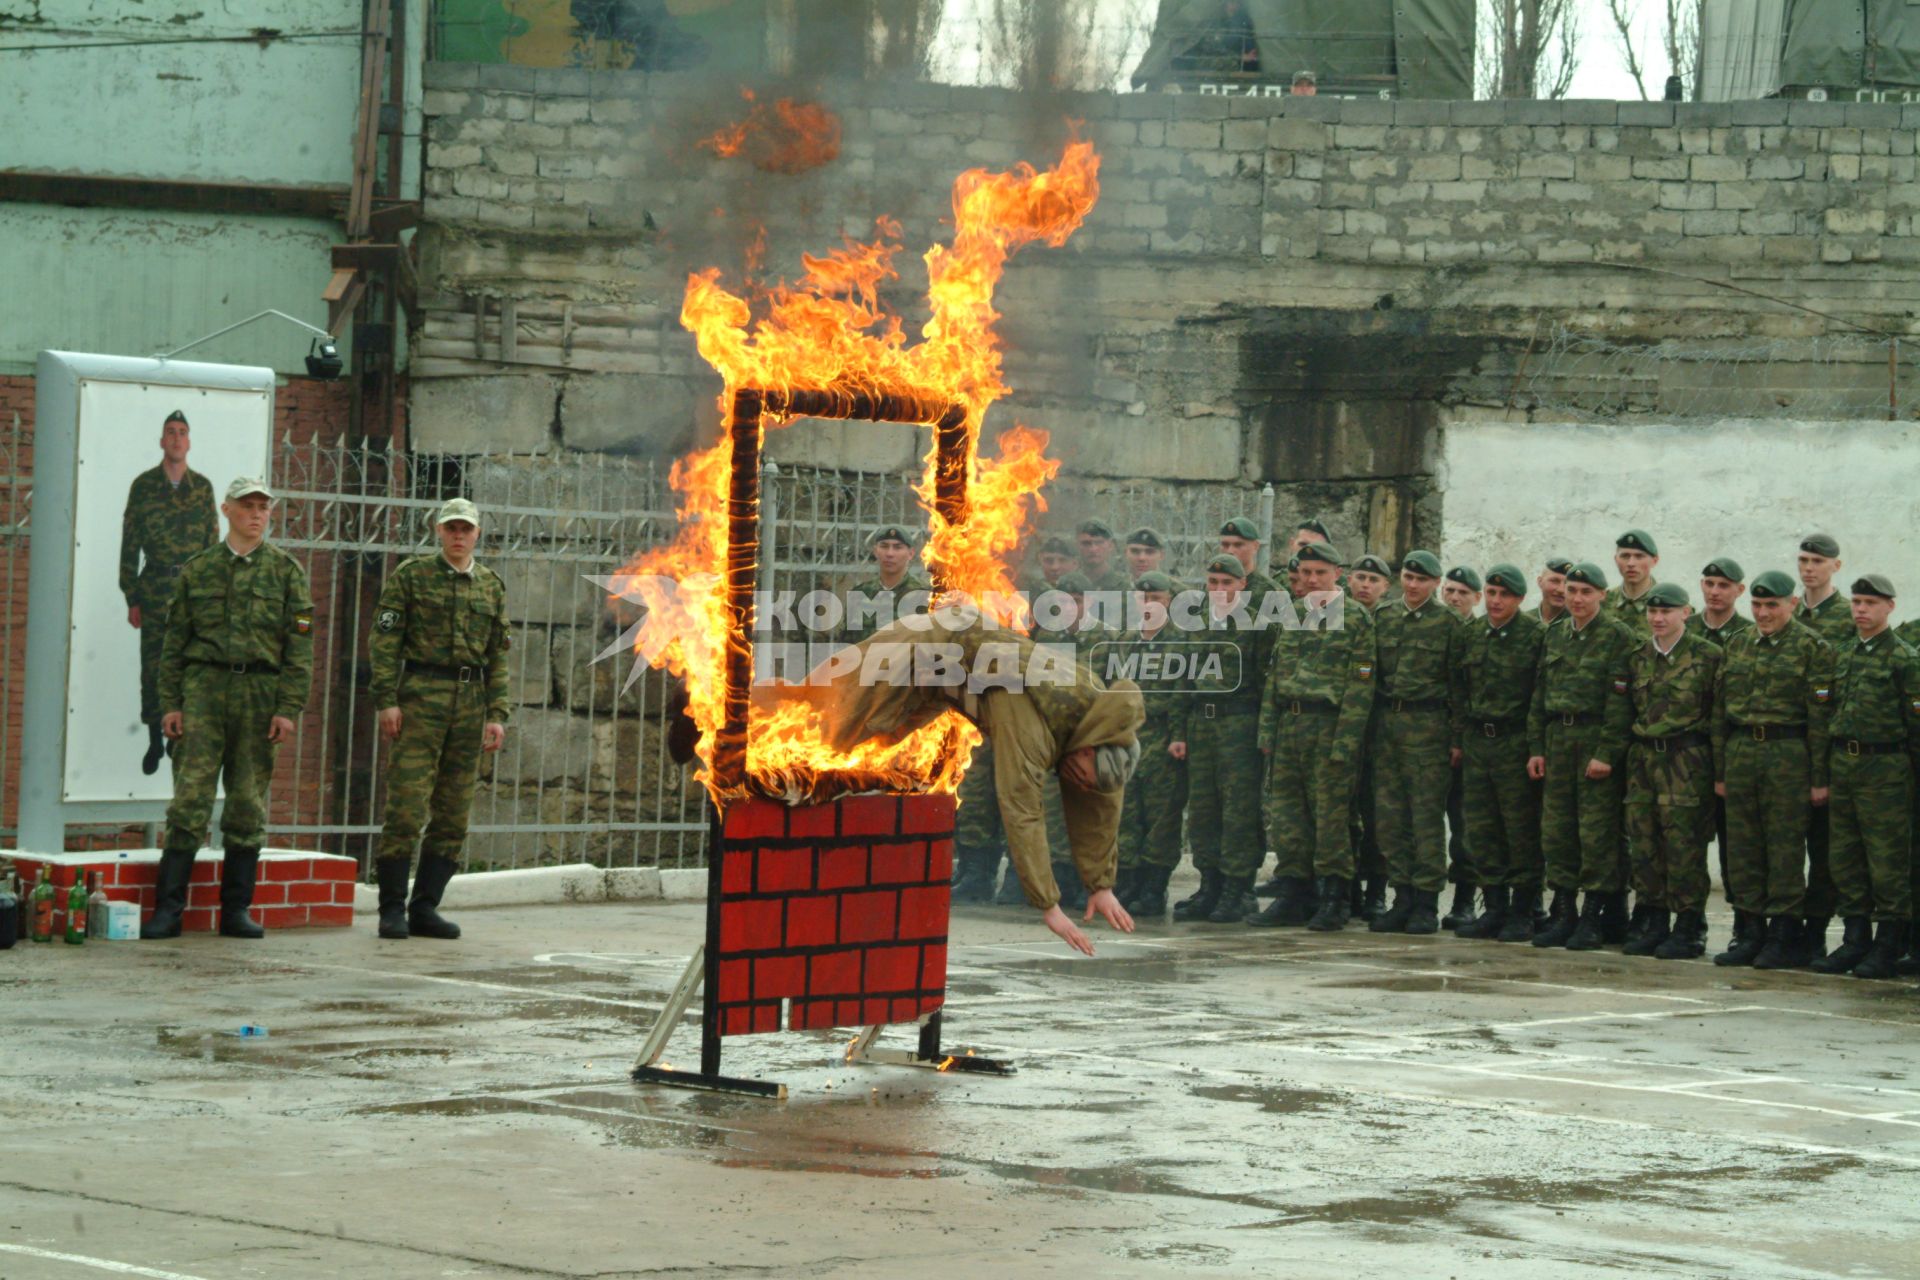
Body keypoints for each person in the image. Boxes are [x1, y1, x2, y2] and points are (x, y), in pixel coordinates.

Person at [811, 606, 1144, 955]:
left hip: (945, 684)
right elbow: (1022, 810)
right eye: (1084, 778)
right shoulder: (1029, 723)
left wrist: (1100, 885)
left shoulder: (1103, 725)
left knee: (870, 741)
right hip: (921, 645)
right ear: (1087, 752)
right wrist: (1049, 906)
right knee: (829, 726)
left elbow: (1102, 805)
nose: (1082, 787)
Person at [142, 478, 314, 940]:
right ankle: (169, 910)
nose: (257, 514)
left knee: (246, 804)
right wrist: (171, 704)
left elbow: (299, 648)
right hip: (204, 691)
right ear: (226, 510)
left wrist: (287, 708)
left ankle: (236, 910)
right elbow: (173, 643)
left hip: (259, 694)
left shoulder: (286, 573)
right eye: (247, 506)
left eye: (264, 507)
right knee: (189, 801)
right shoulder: (197, 571)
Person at [368, 498, 512, 941]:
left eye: (465, 529)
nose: (458, 536)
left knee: (453, 814)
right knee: (407, 808)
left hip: (469, 706)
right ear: (438, 531)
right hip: (420, 700)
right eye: (451, 528)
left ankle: (425, 906)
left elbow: (498, 656)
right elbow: (385, 642)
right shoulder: (412, 576)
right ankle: (391, 908)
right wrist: (386, 699)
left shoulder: (490, 585)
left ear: (477, 534)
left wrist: (497, 713)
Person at [1712, 570, 1834, 969]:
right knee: (1743, 846)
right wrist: (1721, 770)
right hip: (1742, 750)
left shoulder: (1812, 647)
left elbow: (1819, 721)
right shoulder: (1738, 644)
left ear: (1792, 604)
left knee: (1783, 847)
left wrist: (1819, 779)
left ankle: (1784, 932)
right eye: (1758, 605)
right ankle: (1750, 930)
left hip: (1788, 753)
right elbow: (1719, 713)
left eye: (1772, 605)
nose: (1763, 613)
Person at [1254, 542, 1375, 931]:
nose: (1310, 580)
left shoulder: (1356, 619)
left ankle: (1336, 896)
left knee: (1331, 817)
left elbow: (1361, 686)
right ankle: (1295, 891)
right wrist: (1268, 731)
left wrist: (1346, 741)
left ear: (1336, 573)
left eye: (1319, 572)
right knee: (1289, 816)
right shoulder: (1293, 615)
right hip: (1291, 725)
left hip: (1329, 726)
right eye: (1305, 572)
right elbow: (1275, 677)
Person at [1811, 575, 1920, 979]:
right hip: (1844, 764)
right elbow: (1826, 717)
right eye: (1856, 602)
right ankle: (1855, 939)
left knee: (1887, 860)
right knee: (1846, 857)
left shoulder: (1904, 659)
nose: (1860, 610)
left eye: (1870, 603)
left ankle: (1889, 944)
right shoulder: (1841, 655)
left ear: (1889, 607)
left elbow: (1916, 727)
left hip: (1886, 768)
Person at [1526, 562, 1635, 950]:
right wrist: (1536, 746)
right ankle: (1564, 911)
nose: (1576, 598)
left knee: (1596, 832)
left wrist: (1606, 752)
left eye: (1586, 592)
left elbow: (1621, 704)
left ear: (1603, 595)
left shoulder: (1618, 636)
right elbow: (1539, 696)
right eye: (1571, 591)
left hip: (1592, 739)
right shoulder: (1555, 635)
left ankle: (1593, 916)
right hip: (1558, 740)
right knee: (1557, 832)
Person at [1172, 555, 1273, 923]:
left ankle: (1238, 890)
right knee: (1203, 810)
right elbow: (1183, 678)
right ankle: (1209, 884)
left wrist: (1265, 732)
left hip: (1239, 723)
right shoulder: (1196, 620)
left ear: (1242, 585)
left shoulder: (1255, 624)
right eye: (1212, 582)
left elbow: (1267, 683)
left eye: (1226, 583)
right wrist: (1180, 732)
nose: (1218, 590)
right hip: (1202, 724)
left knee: (1238, 810)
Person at [1622, 583, 1721, 959]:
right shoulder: (1638, 656)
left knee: (1683, 845)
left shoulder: (1708, 657)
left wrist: (1717, 770)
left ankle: (1689, 926)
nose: (1658, 618)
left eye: (1666, 612)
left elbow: (1716, 717)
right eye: (1652, 612)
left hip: (1686, 760)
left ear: (1686, 613)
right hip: (1644, 760)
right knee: (1645, 844)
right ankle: (1656, 920)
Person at [118, 410, 219, 776]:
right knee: (153, 666)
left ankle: (178, 737)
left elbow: (212, 545)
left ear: (189, 442)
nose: (176, 439)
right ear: (162, 441)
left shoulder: (203, 488)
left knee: (189, 665)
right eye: (170, 433)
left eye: (182, 433)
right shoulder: (143, 486)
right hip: (155, 587)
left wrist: (210, 595)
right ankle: (153, 739)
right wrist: (132, 595)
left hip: (191, 591)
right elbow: (129, 544)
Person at [1369, 550, 1463, 936]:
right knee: (1391, 818)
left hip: (1428, 729)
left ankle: (1426, 900)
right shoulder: (1383, 617)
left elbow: (1459, 686)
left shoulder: (1449, 623)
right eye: (1408, 576)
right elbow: (1370, 672)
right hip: (1388, 726)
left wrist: (1456, 738)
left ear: (1435, 584)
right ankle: (1401, 895)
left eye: (1421, 580)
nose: (1412, 585)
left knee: (1424, 818)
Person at [1453, 564, 1546, 942]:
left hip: (1514, 742)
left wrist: (1536, 748)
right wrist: (1458, 739)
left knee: (1520, 829)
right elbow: (1459, 691)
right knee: (1481, 827)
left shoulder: (1535, 636)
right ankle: (1493, 907)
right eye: (1490, 593)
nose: (1495, 601)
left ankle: (1523, 910)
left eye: (1504, 595)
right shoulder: (1471, 634)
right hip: (1478, 742)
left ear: (1520, 599)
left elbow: (1539, 697)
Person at [1113, 571, 1189, 918]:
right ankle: (1128, 881)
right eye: (1142, 599)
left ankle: (1154, 887)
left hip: (1160, 736)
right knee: (1127, 813)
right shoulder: (1126, 641)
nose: (1148, 605)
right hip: (1128, 736)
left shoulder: (1179, 641)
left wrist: (1178, 735)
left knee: (1161, 816)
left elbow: (1181, 694)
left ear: (1169, 601)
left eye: (1156, 598)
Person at [1794, 534, 1851, 952]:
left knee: (1827, 847)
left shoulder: (1850, 617)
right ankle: (1786, 928)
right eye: (1803, 560)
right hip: (1788, 749)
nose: (1808, 568)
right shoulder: (1787, 612)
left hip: (1829, 747)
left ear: (1836, 566)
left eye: (1817, 560)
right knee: (1785, 843)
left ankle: (1816, 929)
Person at [1688, 557, 1752, 908]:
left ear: (1739, 591)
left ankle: (1743, 923)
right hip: (1688, 754)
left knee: (1735, 845)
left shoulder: (1747, 636)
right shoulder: (1685, 628)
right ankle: (1688, 920)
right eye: (1709, 583)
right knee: (1688, 842)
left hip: (1731, 753)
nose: (1715, 592)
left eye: (1723, 585)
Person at [1440, 563, 1482, 924]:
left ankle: (1464, 901)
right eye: (1450, 590)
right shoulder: (1433, 628)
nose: (1454, 598)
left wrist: (1461, 740)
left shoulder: (1479, 635)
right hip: (1425, 741)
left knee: (1465, 827)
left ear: (1476, 599)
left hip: (1466, 745)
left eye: (1463, 593)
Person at [843, 523, 931, 643]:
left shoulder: (925, 596)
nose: (890, 554)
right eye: (884, 546)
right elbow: (847, 644)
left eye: (897, 547)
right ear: (875, 551)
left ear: (910, 554)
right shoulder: (860, 594)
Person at [1605, 529, 1661, 636]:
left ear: (1655, 560)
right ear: (1616, 559)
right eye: (1625, 556)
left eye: (1639, 556)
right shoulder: (1602, 603)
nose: (1631, 563)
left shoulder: (1671, 606)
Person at [1218, 516, 1278, 600]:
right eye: (1225, 545)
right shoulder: (1213, 588)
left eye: (1238, 545)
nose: (1230, 551)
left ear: (1255, 546)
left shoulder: (1271, 593)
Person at [1075, 519, 1132, 594]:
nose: (1093, 549)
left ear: (1111, 545)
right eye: (1086, 543)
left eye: (1099, 542)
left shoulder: (1124, 587)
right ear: (1077, 546)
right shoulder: (1071, 584)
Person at [1534, 557, 1572, 628]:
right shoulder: (1524, 622)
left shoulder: (1577, 624)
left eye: (1567, 583)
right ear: (1540, 582)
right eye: (1554, 581)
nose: (1561, 590)